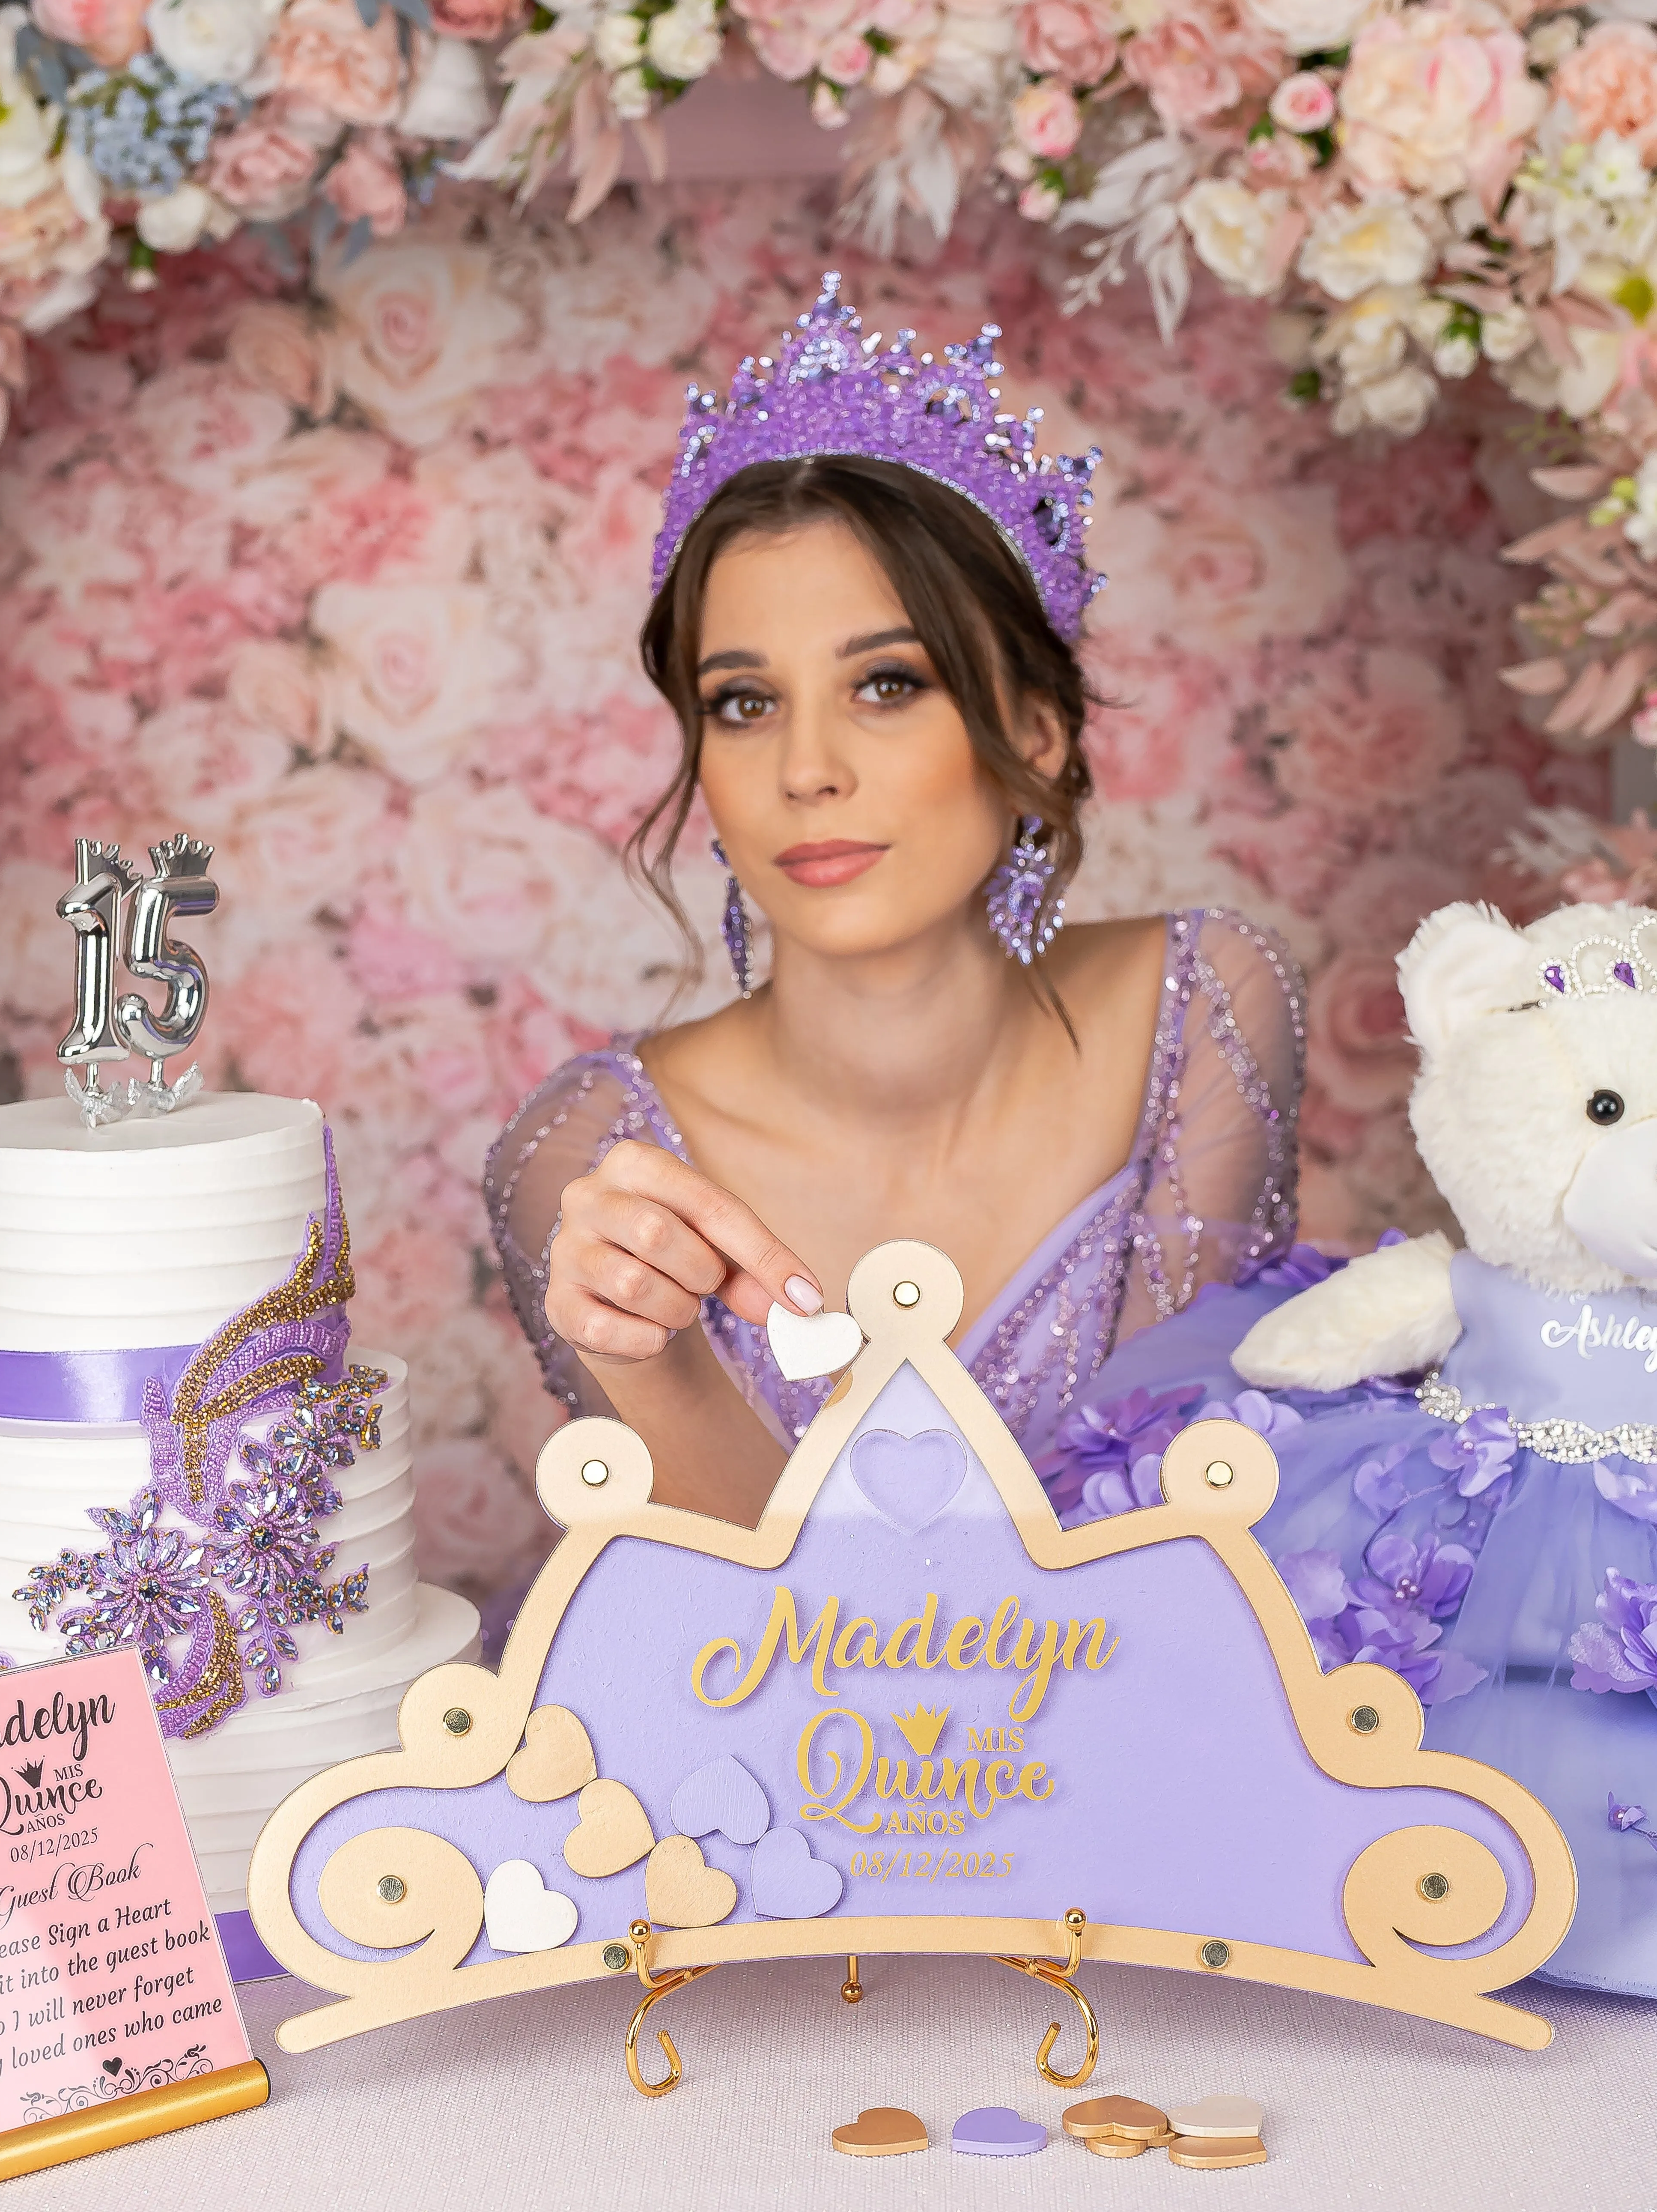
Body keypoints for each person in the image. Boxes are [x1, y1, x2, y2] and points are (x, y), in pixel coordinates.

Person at [484, 276, 1304, 1523]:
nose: (805, 769)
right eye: (743, 703)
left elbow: (1173, 1557)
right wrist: (649, 1366)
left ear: (1033, 732)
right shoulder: (590, 1165)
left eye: (886, 684)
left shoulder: (1201, 1010)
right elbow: (738, 1646)